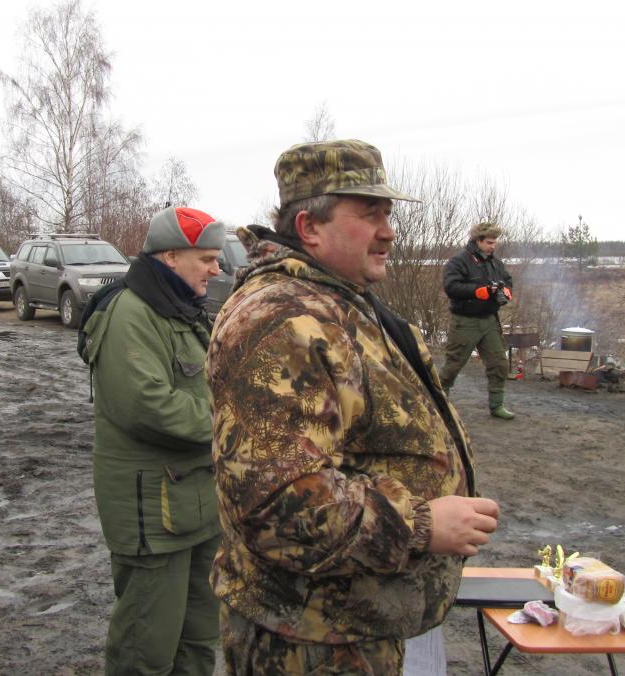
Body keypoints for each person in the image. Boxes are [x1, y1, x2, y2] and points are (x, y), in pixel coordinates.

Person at [206, 139, 500, 674]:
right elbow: (276, 503)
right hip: (309, 639)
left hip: (349, 622)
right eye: (369, 214)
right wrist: (419, 525)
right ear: (310, 227)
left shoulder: (336, 300)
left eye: (388, 213)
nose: (389, 231)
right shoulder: (282, 321)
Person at [79, 206, 225, 675]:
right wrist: (233, 423)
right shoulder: (132, 312)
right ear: (170, 257)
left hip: (196, 505)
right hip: (152, 513)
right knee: (147, 647)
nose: (216, 270)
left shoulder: (181, 310)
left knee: (198, 637)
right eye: (206, 259)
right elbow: (146, 406)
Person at [437, 222, 516, 419]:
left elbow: (507, 280)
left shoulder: (495, 263)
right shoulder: (459, 261)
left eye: (494, 242)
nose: (493, 246)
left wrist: (506, 291)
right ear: (477, 241)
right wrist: (477, 291)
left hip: (489, 320)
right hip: (465, 321)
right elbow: (451, 287)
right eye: (489, 242)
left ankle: (496, 406)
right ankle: (437, 404)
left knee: (499, 364)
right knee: (453, 365)